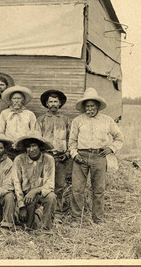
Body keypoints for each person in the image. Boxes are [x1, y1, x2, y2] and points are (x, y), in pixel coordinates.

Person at [69, 88, 124, 225]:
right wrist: (75, 155)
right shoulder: (77, 121)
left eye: (92, 106)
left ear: (98, 106)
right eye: (87, 106)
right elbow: (72, 142)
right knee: (77, 189)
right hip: (80, 157)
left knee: (98, 189)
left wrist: (111, 148)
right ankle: (76, 219)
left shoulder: (107, 120)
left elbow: (119, 138)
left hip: (99, 157)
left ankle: (98, 219)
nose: (89, 109)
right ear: (83, 107)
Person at [35, 89, 71, 214]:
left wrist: (67, 154)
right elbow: (37, 139)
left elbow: (70, 139)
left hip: (60, 157)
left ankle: (57, 212)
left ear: (60, 103)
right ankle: (42, 211)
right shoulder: (41, 120)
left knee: (59, 185)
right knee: (43, 184)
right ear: (47, 104)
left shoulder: (66, 120)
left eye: (56, 102)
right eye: (51, 102)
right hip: (46, 157)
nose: (53, 104)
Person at [13, 133, 56, 231]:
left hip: (41, 193)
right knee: (28, 227)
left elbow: (50, 184)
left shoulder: (48, 159)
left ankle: (46, 228)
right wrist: (21, 206)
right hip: (25, 196)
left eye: (34, 146)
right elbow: (16, 184)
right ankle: (29, 225)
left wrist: (35, 191)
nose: (31, 149)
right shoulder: (19, 159)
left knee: (51, 197)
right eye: (28, 146)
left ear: (40, 146)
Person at [0, 85, 36, 159]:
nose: (16, 101)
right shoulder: (4, 113)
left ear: (23, 100)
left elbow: (33, 132)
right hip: (9, 149)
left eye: (19, 98)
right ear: (10, 100)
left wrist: (23, 142)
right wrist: (9, 143)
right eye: (14, 98)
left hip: (24, 148)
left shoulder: (29, 114)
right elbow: (0, 131)